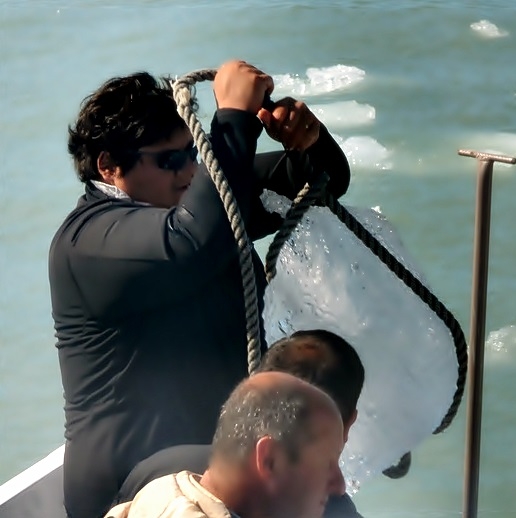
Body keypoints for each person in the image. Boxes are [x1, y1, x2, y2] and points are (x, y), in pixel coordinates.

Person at [49, 60, 351, 518]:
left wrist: (309, 143)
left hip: (210, 461)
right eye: (169, 159)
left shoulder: (197, 203)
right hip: (133, 485)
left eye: (194, 153)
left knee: (326, 496)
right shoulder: (88, 242)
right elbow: (195, 242)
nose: (188, 169)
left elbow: (315, 185)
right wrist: (232, 119)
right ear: (108, 167)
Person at [114, 329, 365, 518]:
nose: (339, 485)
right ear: (269, 459)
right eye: (325, 461)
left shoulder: (158, 476)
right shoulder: (335, 509)